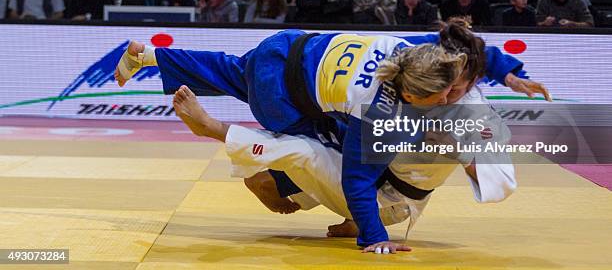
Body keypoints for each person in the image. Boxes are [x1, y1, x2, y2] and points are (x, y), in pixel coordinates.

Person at [114, 22, 550, 252]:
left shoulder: (413, 51)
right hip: (284, 103)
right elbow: (357, 180)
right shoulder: (377, 107)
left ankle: (149, 54)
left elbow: (463, 48)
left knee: (231, 70)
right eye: (445, 94)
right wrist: (373, 236)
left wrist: (507, 74)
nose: (453, 95)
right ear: (414, 92)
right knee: (323, 149)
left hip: (287, 45)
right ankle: (223, 134)